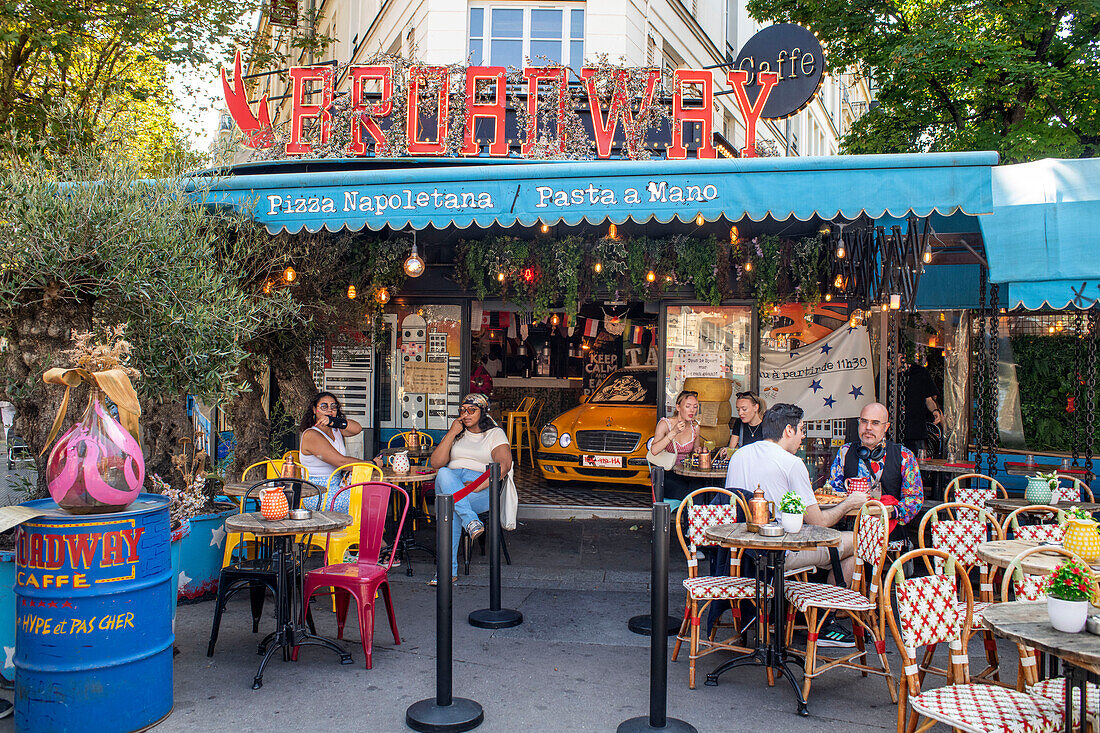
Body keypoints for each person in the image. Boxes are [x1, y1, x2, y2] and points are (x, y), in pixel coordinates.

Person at [725, 403, 868, 647]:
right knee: (857, 542)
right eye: (802, 429)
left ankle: (801, 610)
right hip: (781, 552)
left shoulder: (739, 454)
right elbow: (818, 522)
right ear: (789, 430)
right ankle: (824, 623)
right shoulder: (791, 463)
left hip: (743, 552)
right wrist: (848, 504)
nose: (804, 436)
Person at [429, 393, 513, 585]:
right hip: (453, 484)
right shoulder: (457, 434)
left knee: (448, 505)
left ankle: (447, 572)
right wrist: (451, 433)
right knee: (443, 473)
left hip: (480, 488)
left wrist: (476, 486)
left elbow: (504, 464)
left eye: (471, 410)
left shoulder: (494, 434)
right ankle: (471, 521)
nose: (465, 414)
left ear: (482, 412)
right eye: (462, 410)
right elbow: (436, 462)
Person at [826, 402, 924, 542]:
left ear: (886, 427)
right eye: (864, 421)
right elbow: (834, 492)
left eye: (875, 423)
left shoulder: (904, 455)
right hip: (850, 533)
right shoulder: (845, 451)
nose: (868, 428)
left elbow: (915, 498)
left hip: (889, 533)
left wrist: (888, 514)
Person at [298, 391, 363, 513]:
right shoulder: (311, 434)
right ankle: (353, 531)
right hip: (317, 492)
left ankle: (359, 531)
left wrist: (335, 421)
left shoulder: (336, 429)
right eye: (324, 406)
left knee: (371, 492)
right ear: (314, 410)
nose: (329, 410)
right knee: (365, 499)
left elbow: (357, 428)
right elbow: (341, 462)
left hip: (337, 485)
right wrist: (371, 465)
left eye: (333, 406)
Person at [650, 390, 705, 501]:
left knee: (701, 489)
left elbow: (695, 452)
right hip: (667, 473)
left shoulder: (695, 428)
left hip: (687, 473)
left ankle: (692, 518)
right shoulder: (665, 424)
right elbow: (654, 450)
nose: (692, 410)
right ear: (678, 407)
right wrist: (673, 432)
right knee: (691, 494)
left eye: (695, 407)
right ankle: (689, 517)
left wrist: (699, 451)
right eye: (688, 406)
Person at [902, 353, 943, 456]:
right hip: (893, 431)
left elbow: (929, 398)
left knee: (917, 464)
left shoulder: (920, 373)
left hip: (915, 431)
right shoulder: (885, 374)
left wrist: (935, 410)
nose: (889, 364)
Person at [719, 391, 766, 457]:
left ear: (756, 407)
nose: (740, 413)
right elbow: (732, 448)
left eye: (744, 409)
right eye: (738, 410)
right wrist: (728, 451)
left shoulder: (767, 424)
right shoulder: (739, 423)